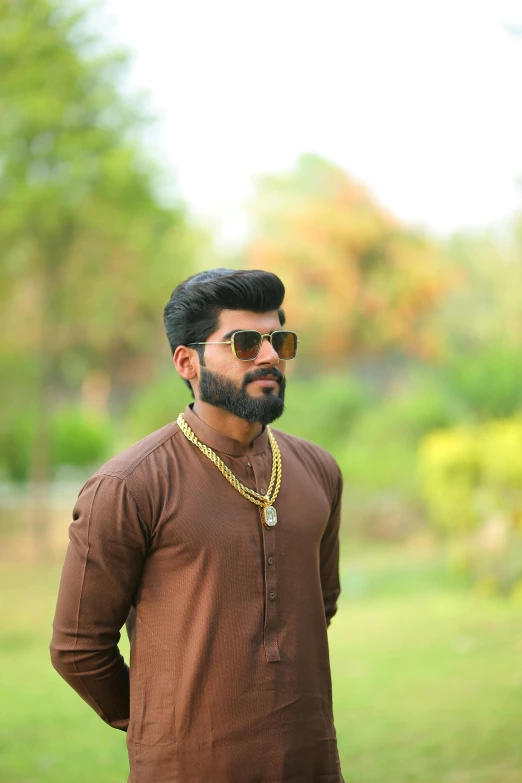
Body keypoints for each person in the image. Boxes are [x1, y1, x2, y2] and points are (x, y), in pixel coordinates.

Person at [50, 268, 345, 783]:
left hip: (312, 763)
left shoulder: (319, 470)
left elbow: (318, 605)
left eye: (279, 340)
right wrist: (159, 723)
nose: (270, 355)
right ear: (187, 361)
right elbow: (77, 647)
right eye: (245, 342)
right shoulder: (129, 485)